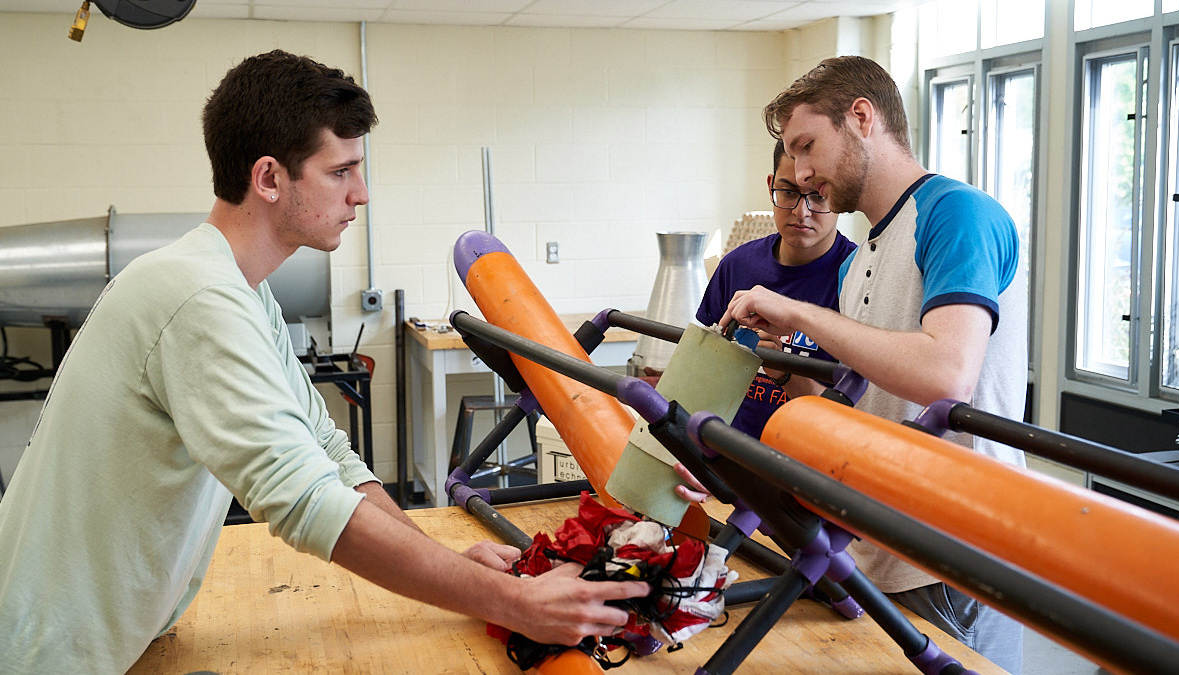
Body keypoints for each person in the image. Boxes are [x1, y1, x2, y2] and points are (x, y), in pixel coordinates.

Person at [0, 50, 646, 674]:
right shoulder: (194, 294)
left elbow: (327, 454)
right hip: (48, 650)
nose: (360, 194)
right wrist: (514, 603)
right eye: (340, 171)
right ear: (270, 178)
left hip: (120, 635)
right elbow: (305, 500)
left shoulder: (241, 290)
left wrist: (453, 563)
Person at [720, 56, 1028, 673]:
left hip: (949, 551)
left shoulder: (957, 214)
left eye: (808, 146)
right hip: (874, 547)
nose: (801, 175)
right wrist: (784, 368)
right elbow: (856, 395)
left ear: (861, 118)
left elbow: (946, 375)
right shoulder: (858, 259)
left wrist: (801, 315)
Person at [694, 139, 855, 440]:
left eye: (818, 196)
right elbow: (702, 376)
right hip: (731, 455)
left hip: (814, 467)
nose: (801, 212)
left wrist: (784, 371)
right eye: (788, 192)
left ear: (840, 195)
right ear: (771, 187)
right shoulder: (736, 266)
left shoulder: (859, 280)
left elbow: (854, 423)